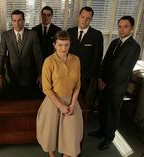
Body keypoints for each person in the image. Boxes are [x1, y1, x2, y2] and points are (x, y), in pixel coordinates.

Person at [89, 16, 140, 150]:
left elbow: (124, 71)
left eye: (125, 26)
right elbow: (104, 62)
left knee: (113, 113)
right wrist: (100, 78)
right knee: (103, 109)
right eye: (120, 26)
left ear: (132, 28)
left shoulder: (134, 47)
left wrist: (107, 84)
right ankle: (101, 131)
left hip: (117, 87)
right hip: (104, 83)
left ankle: (108, 138)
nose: (122, 29)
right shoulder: (114, 42)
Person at [37, 30, 83, 157]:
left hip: (71, 102)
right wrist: (60, 106)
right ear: (54, 45)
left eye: (66, 45)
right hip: (53, 102)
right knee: (50, 134)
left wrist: (73, 104)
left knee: (70, 136)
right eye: (60, 45)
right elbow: (46, 88)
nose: (63, 48)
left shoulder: (76, 60)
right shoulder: (49, 61)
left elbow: (78, 84)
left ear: (70, 44)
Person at [0, 9, 43, 100]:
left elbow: (38, 56)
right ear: (12, 21)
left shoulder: (32, 34)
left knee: (26, 102)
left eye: (19, 20)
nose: (17, 23)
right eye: (14, 20)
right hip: (10, 74)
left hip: (28, 75)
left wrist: (41, 74)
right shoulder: (6, 35)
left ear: (24, 20)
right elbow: (2, 55)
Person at [67, 6, 103, 105]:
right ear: (79, 17)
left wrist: (86, 75)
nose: (84, 20)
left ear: (91, 19)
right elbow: (65, 53)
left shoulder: (97, 35)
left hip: (86, 78)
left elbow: (97, 58)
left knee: (83, 105)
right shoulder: (70, 32)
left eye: (88, 18)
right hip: (68, 75)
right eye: (83, 17)